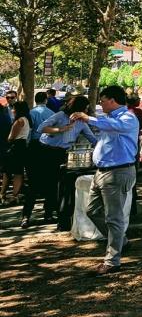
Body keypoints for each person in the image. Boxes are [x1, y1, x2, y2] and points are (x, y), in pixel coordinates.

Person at [68, 85, 139, 275]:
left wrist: (88, 118)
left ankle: (112, 261)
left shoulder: (128, 118)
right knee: (92, 210)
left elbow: (114, 127)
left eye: (102, 101)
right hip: (102, 172)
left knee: (113, 218)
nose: (100, 104)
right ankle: (120, 241)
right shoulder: (109, 119)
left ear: (112, 101)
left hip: (117, 172)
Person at [21, 96, 98, 229]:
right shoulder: (60, 115)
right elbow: (41, 128)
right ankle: (26, 216)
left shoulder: (82, 123)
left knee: (54, 184)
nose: (86, 110)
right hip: (43, 151)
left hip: (60, 153)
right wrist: (59, 130)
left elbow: (92, 138)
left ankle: (49, 213)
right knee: (35, 184)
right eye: (85, 108)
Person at [4, 101, 31, 205]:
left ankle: (14, 195)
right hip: (21, 145)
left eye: (14, 109)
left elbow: (12, 136)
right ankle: (14, 194)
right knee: (16, 171)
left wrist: (7, 142)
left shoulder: (19, 121)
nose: (12, 110)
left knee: (15, 172)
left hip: (16, 146)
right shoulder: (26, 119)